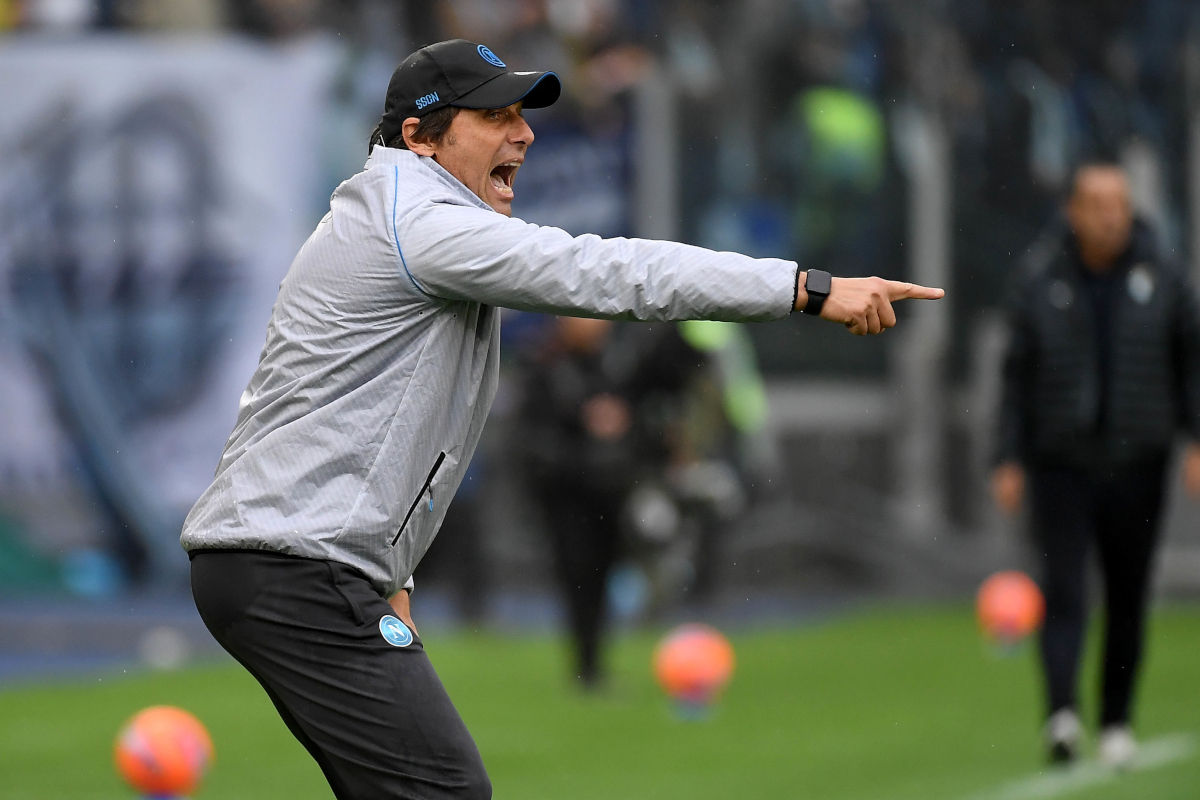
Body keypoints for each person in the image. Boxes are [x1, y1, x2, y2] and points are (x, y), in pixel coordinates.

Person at [183, 38, 943, 800]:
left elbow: (371, 426)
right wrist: (804, 288)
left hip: (286, 560)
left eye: (522, 115)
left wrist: (394, 575)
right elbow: (607, 272)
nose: (525, 133)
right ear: (418, 137)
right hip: (292, 565)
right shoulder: (418, 219)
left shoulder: (396, 213)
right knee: (447, 792)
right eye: (495, 116)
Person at [992, 162, 1200, 768]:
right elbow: (1016, 376)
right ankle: (1060, 714)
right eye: (1097, 204)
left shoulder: (1164, 275)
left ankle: (1115, 719)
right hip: (1062, 462)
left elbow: (1190, 361)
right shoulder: (1039, 279)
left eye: (1119, 204)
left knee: (1129, 594)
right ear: (1073, 212)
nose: (1111, 215)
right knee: (1062, 590)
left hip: (1139, 460)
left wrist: (1195, 437)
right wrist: (1008, 456)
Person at [518, 317, 705, 687]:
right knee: (580, 576)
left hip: (612, 492)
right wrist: (586, 435)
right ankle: (587, 667)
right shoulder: (543, 364)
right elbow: (532, 440)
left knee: (606, 574)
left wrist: (626, 427)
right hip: (566, 497)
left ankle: (597, 663)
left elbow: (659, 390)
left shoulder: (618, 362)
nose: (593, 325)